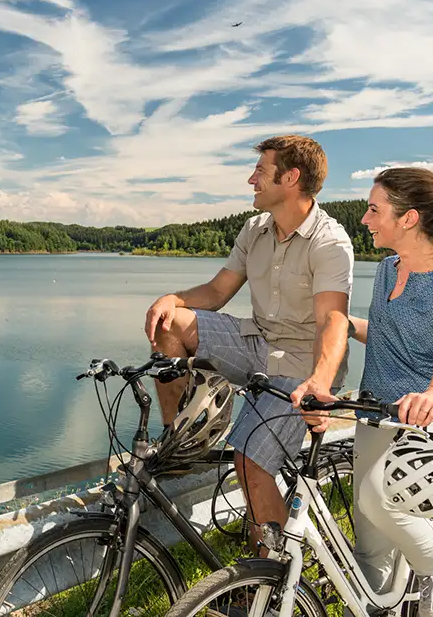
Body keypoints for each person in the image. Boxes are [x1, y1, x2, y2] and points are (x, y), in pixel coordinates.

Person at [144, 134, 354, 552]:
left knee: (249, 460)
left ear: (290, 178)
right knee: (169, 325)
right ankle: (181, 443)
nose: (250, 179)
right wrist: (174, 299)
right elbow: (218, 291)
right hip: (255, 342)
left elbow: (333, 321)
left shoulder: (330, 242)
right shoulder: (255, 228)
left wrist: (321, 383)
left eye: (260, 171)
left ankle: (269, 574)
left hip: (301, 363)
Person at [295, 167, 433, 617]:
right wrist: (337, 323)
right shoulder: (386, 270)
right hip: (381, 414)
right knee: (370, 545)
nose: (365, 219)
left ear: (409, 219)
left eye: (374, 209)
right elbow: (382, 334)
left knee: (378, 498)